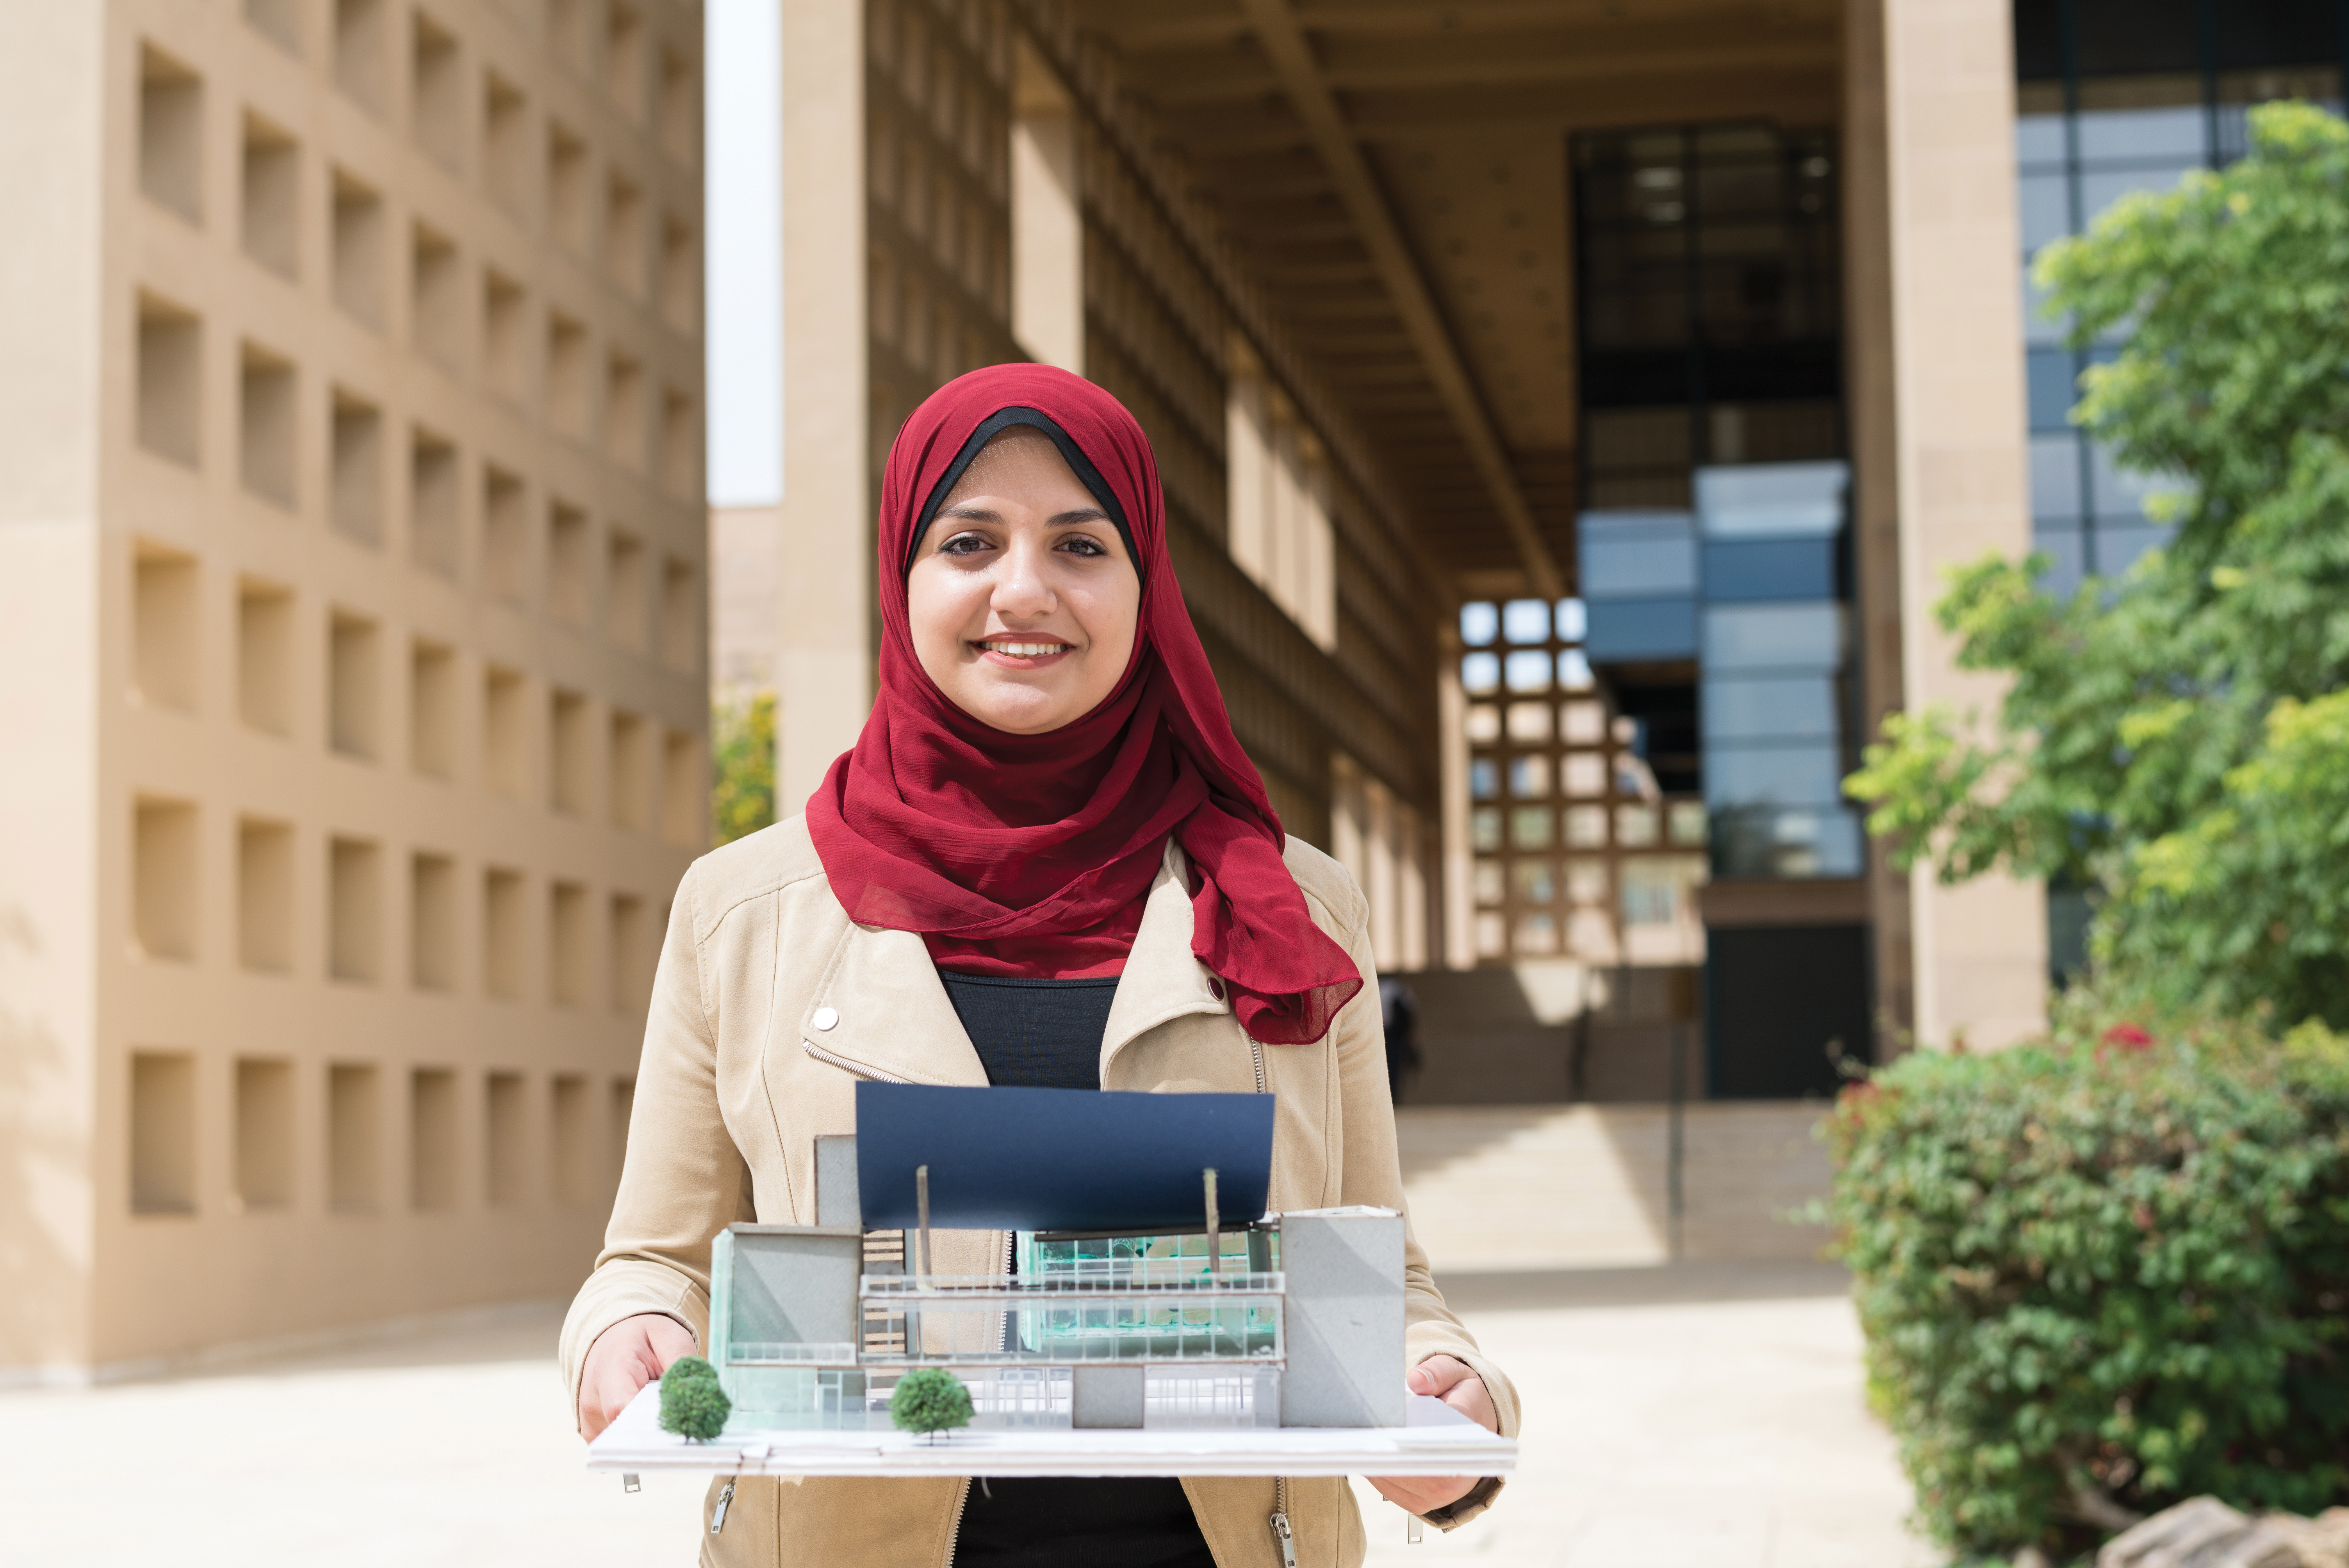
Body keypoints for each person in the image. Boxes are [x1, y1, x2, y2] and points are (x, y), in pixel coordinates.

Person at [563, 364, 1518, 1567]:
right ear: (902, 578)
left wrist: (1451, 1393)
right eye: (969, 542)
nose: (1025, 590)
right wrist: (631, 1331)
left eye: (1081, 544)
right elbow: (652, 1258)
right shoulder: (742, 910)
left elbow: (1378, 1267)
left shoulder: (1288, 899)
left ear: (1146, 585)